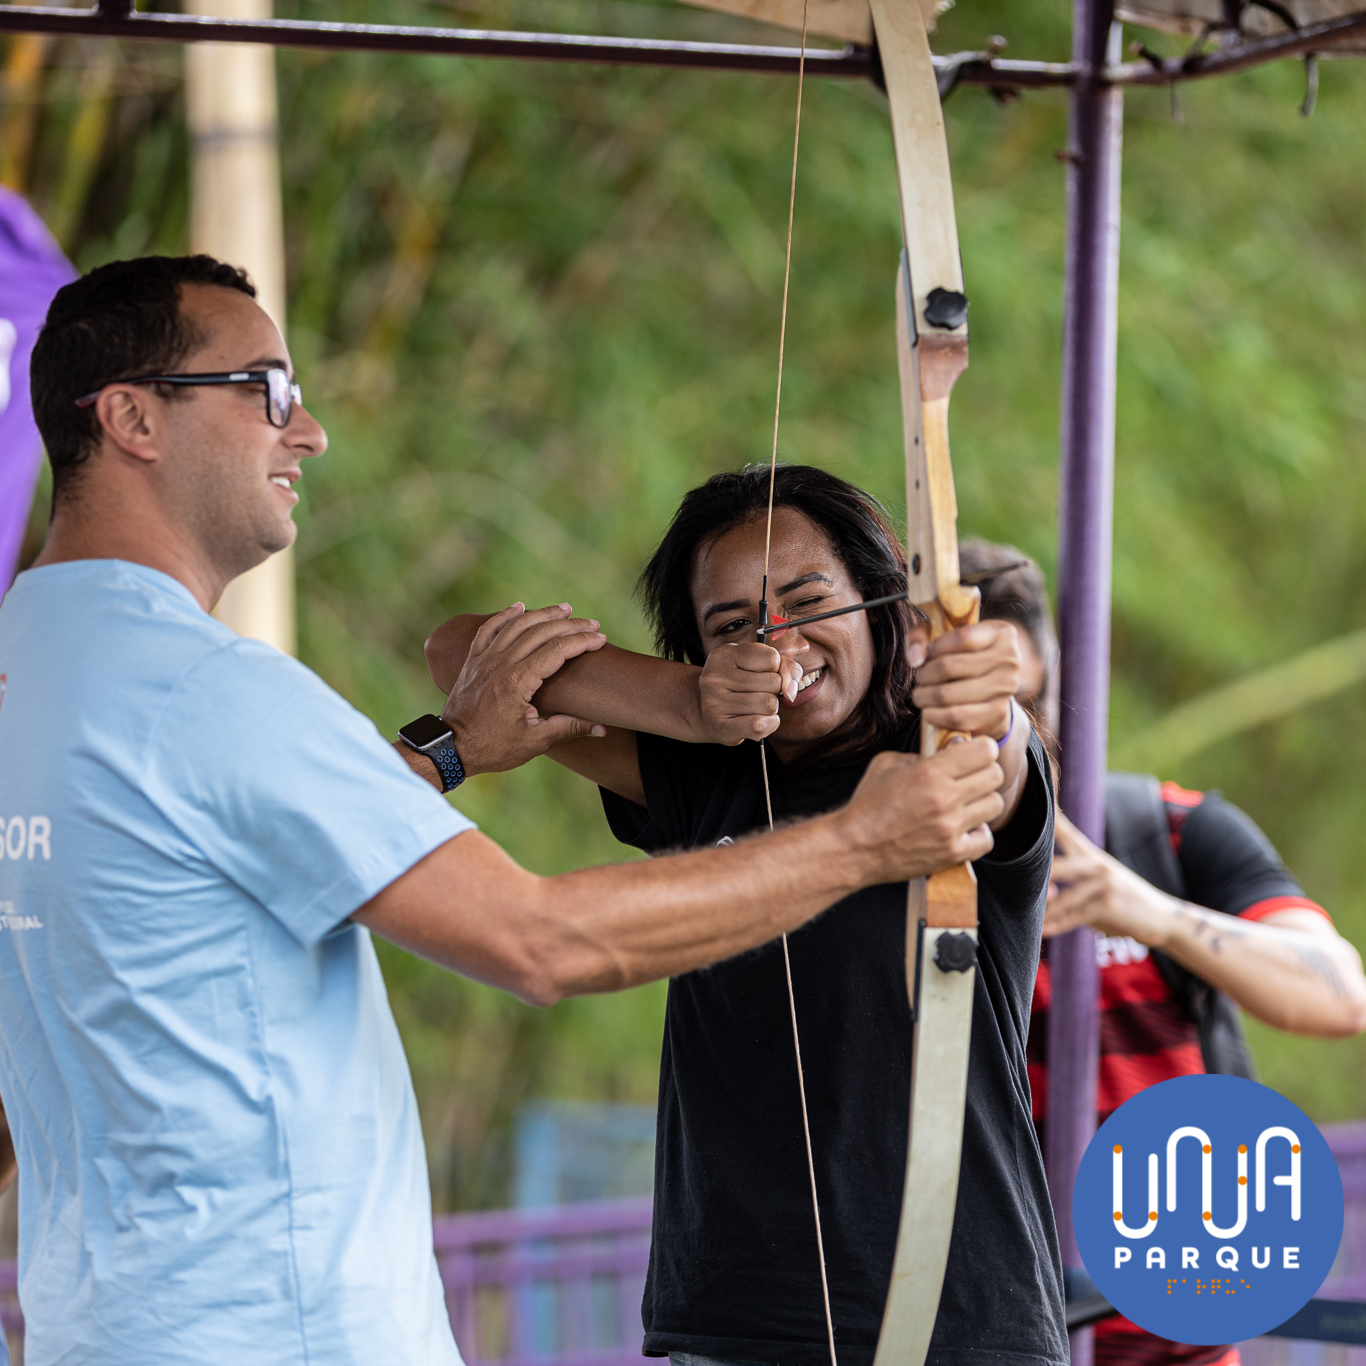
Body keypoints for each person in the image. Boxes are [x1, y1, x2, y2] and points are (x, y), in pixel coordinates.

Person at [0, 257, 1011, 1366]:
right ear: (133, 417)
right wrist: (861, 838)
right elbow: (539, 941)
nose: (310, 433)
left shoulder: (32, 675)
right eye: (267, 390)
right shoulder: (207, 693)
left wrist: (984, 694)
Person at [427, 465, 1068, 1366]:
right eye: (732, 626)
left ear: (882, 601)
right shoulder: (708, 772)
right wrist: (688, 704)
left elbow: (998, 760)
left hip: (961, 1320)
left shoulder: (938, 763)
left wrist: (990, 707)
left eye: (809, 601)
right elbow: (459, 652)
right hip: (731, 1320)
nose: (778, 642)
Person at [958, 538, 1366, 1366]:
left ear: (1058, 684)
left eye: (1015, 703)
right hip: (979, 1324)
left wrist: (1153, 914)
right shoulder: (887, 871)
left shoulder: (1166, 834)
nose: (999, 737)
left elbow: (1338, 995)